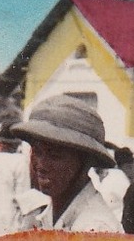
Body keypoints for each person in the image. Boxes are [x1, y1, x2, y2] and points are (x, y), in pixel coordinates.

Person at [7, 95, 123, 233]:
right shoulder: (49, 214)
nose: (41, 164)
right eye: (37, 152)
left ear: (86, 161)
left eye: (55, 155)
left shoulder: (95, 229)